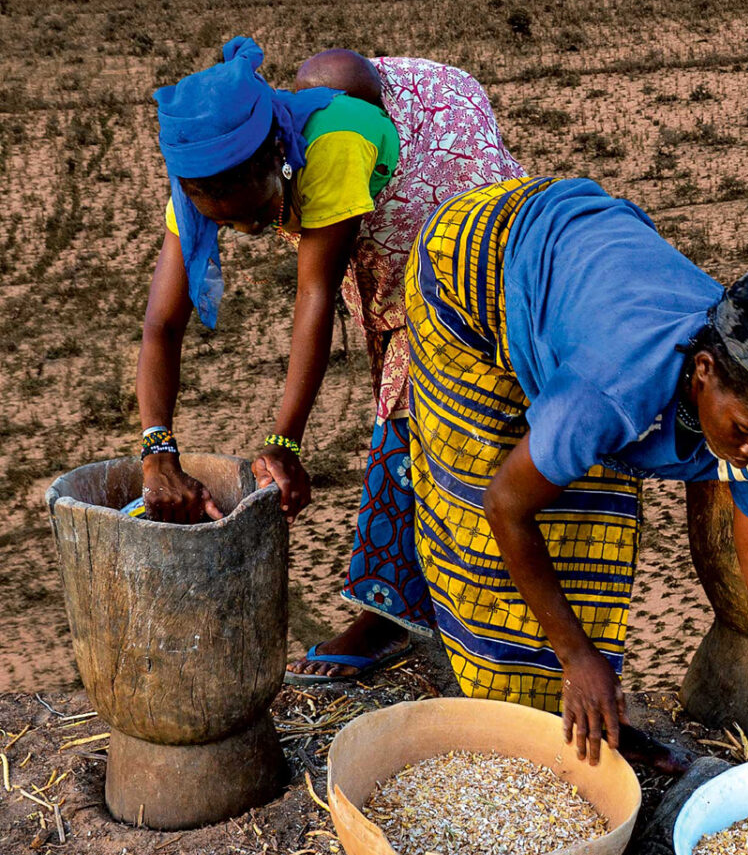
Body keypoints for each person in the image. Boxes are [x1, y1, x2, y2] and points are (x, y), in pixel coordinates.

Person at [404, 176, 748, 765]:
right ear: (702, 370)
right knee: (485, 533)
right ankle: (513, 744)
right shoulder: (613, 390)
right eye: (745, 432)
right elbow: (506, 503)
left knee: (594, 533)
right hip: (475, 267)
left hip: (592, 272)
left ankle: (593, 723)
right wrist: (576, 658)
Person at [137, 38, 526, 683]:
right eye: (222, 221)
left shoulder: (334, 147)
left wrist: (283, 441)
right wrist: (156, 449)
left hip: (443, 197)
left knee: (429, 398)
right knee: (405, 392)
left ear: (279, 161)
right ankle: (412, 606)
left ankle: (390, 621)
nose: (245, 231)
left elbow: (314, 296)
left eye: (257, 213)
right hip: (372, 221)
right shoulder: (200, 181)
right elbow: (159, 326)